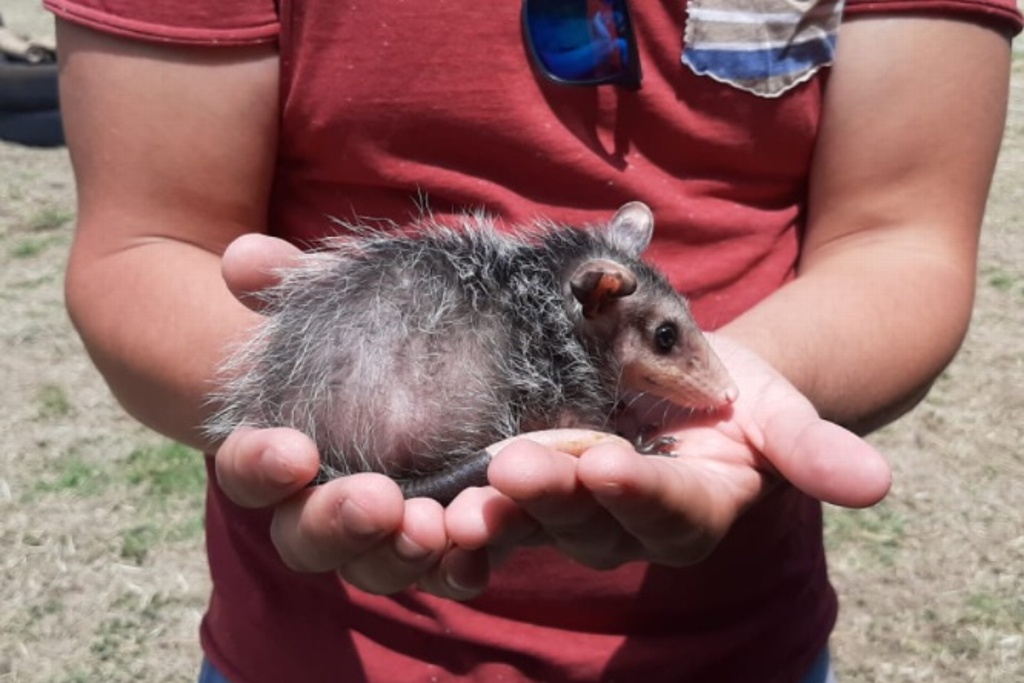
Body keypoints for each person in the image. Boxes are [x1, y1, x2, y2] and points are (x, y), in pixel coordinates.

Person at [46, 0, 1021, 681]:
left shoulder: (590, 303)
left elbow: (902, 237)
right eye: (671, 342)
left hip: (737, 643)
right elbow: (142, 245)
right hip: (314, 649)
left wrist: (770, 385)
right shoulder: (573, 339)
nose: (702, 375)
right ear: (601, 298)